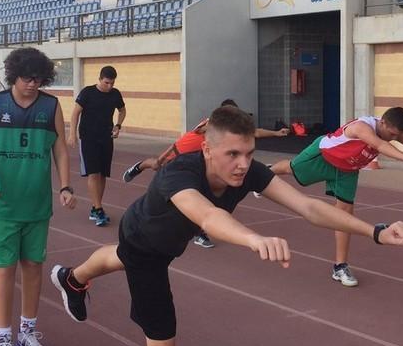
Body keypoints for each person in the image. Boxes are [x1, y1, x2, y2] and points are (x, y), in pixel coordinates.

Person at [50, 106, 403, 346]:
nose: (243, 165)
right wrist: (253, 238)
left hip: (163, 244)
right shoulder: (179, 173)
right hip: (145, 243)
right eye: (232, 155)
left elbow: (307, 207)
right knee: (161, 341)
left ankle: (72, 279)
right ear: (207, 149)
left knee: (116, 259)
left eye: (249, 154)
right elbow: (207, 218)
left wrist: (373, 231)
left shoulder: (246, 173)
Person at [270, 107, 403, 287]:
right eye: (391, 134)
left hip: (348, 170)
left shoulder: (393, 131)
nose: (393, 138)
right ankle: (266, 174)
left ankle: (340, 267)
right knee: (290, 169)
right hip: (324, 157)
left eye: (397, 136)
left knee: (344, 217)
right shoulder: (361, 127)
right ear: (382, 123)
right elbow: (380, 145)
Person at [0, 47, 76, 346]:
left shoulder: (51, 106)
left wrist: (65, 186)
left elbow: (60, 150)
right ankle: (3, 339)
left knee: (33, 267)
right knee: (4, 270)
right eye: (26, 78)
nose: (32, 84)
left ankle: (27, 332)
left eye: (37, 79)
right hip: (2, 206)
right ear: (13, 76)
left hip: (36, 205)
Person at [121, 99, 290, 248]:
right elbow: (192, 138)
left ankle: (200, 232)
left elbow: (256, 132)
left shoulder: (234, 135)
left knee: (203, 196)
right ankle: (138, 167)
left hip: (204, 160)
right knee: (156, 165)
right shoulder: (209, 127)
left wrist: (276, 133)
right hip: (179, 154)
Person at [68, 65, 125, 227]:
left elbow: (122, 110)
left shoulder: (115, 94)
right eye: (107, 83)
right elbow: (75, 113)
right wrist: (72, 133)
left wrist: (118, 125)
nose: (110, 86)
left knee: (102, 174)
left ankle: (95, 207)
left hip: (106, 138)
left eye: (112, 83)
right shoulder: (87, 92)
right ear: (100, 79)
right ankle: (99, 209)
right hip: (88, 138)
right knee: (93, 173)